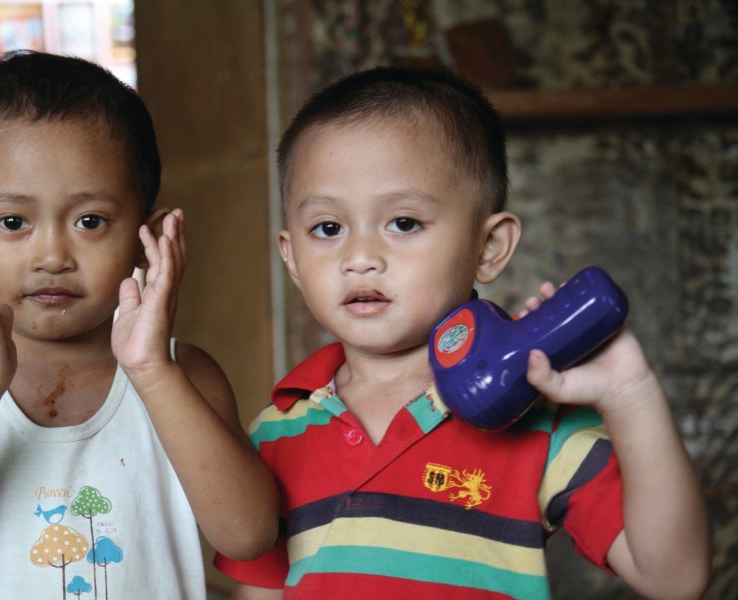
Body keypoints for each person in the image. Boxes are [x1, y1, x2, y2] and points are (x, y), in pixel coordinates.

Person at [214, 66, 710, 599]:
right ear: (291, 257)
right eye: (328, 228)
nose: (359, 258)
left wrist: (629, 392)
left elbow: (676, 579)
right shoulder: (275, 432)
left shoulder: (536, 418)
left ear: (489, 246)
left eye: (403, 223)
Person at [0, 51, 278, 599]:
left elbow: (249, 536)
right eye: (13, 222)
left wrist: (151, 371)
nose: (51, 255)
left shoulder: (181, 375)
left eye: (89, 221)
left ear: (152, 236)